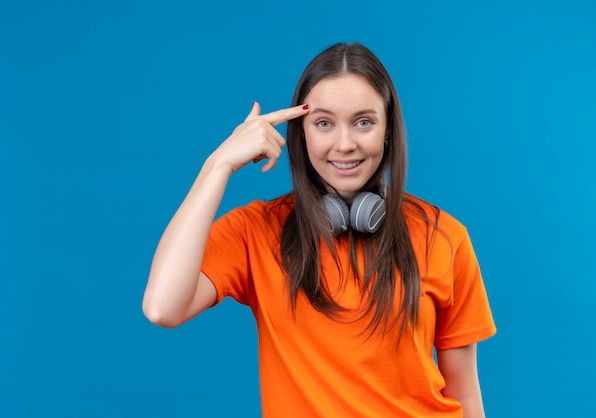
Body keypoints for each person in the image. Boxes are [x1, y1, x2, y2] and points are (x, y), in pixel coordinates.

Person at [143, 42, 496, 417]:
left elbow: (465, 393)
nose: (345, 145)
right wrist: (218, 165)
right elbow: (162, 307)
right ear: (302, 133)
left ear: (388, 129)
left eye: (364, 122)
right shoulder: (256, 231)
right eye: (324, 123)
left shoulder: (444, 237)